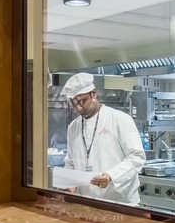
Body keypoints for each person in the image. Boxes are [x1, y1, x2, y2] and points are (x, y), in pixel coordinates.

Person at [62, 73, 146, 204]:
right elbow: (71, 162)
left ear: (93, 94)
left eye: (81, 101)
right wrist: (69, 182)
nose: (78, 107)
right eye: (74, 103)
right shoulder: (73, 127)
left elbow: (137, 157)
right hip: (86, 201)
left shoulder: (120, 119)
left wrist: (111, 176)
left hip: (119, 202)